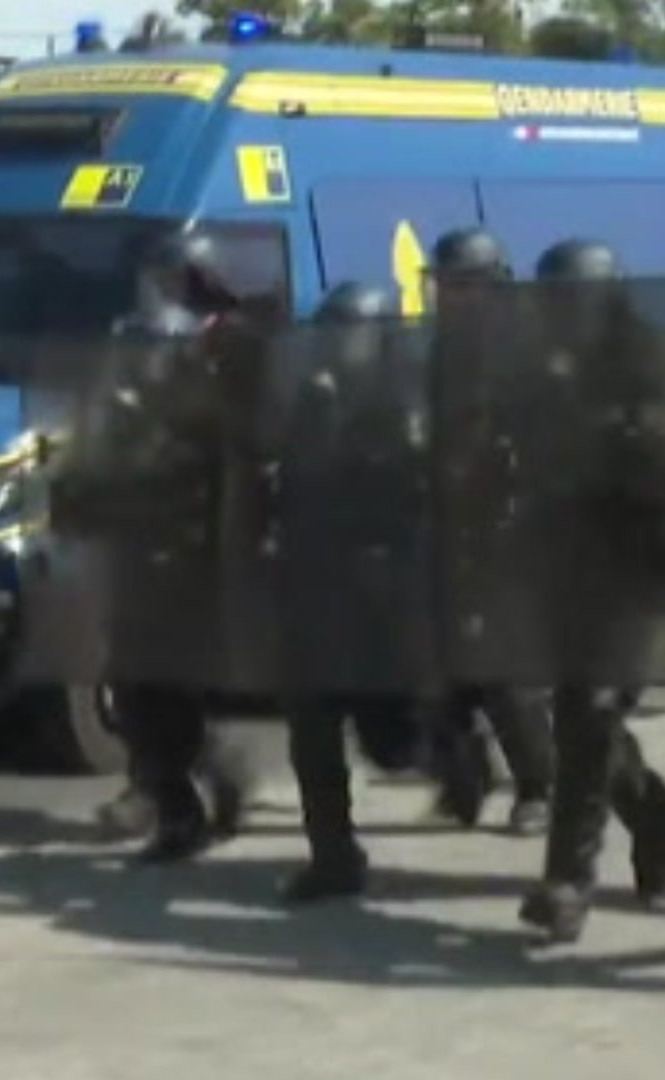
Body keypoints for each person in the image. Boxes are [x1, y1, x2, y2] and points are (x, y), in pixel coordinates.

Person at [509, 240, 665, 945]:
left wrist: (610, 435)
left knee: (588, 711)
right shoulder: (542, 361)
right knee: (578, 717)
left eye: (571, 300)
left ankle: (568, 882)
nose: (560, 314)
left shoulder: (646, 354)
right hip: (563, 558)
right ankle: (653, 811)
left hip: (634, 558)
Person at [79, 231, 260, 863]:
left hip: (195, 546)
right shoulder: (138, 340)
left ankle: (192, 790)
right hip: (139, 538)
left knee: (170, 685)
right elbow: (99, 431)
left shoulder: (230, 346)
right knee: (134, 684)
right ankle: (181, 799)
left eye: (175, 276)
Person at [273, 279, 430, 901]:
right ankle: (333, 855)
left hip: (394, 596)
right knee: (310, 728)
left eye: (352, 334)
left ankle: (465, 758)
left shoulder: (410, 403)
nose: (339, 348)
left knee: (397, 741)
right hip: (321, 589)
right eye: (332, 335)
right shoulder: (313, 401)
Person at [425, 227, 557, 836]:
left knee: (508, 675)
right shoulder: (441, 352)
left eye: (463, 286)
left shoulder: (524, 349)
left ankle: (541, 787)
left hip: (510, 527)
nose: (452, 297)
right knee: (439, 673)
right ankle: (465, 778)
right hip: (449, 520)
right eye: (446, 285)